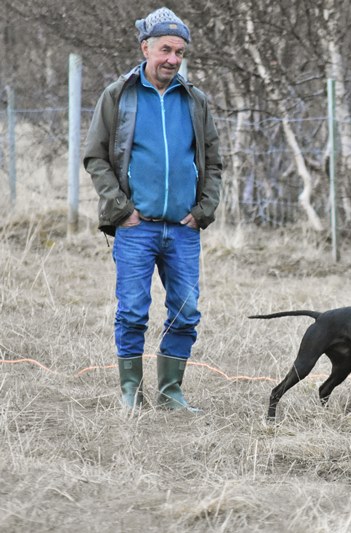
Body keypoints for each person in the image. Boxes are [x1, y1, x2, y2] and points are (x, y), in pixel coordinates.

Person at [83, 7, 223, 411]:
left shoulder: (195, 100)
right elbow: (95, 158)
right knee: (132, 311)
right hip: (135, 226)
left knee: (187, 310)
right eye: (165, 49)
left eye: (180, 52)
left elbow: (213, 162)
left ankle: (169, 392)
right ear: (145, 48)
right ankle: (130, 393)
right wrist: (121, 209)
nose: (173, 59)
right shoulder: (118, 95)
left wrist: (203, 210)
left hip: (183, 228)